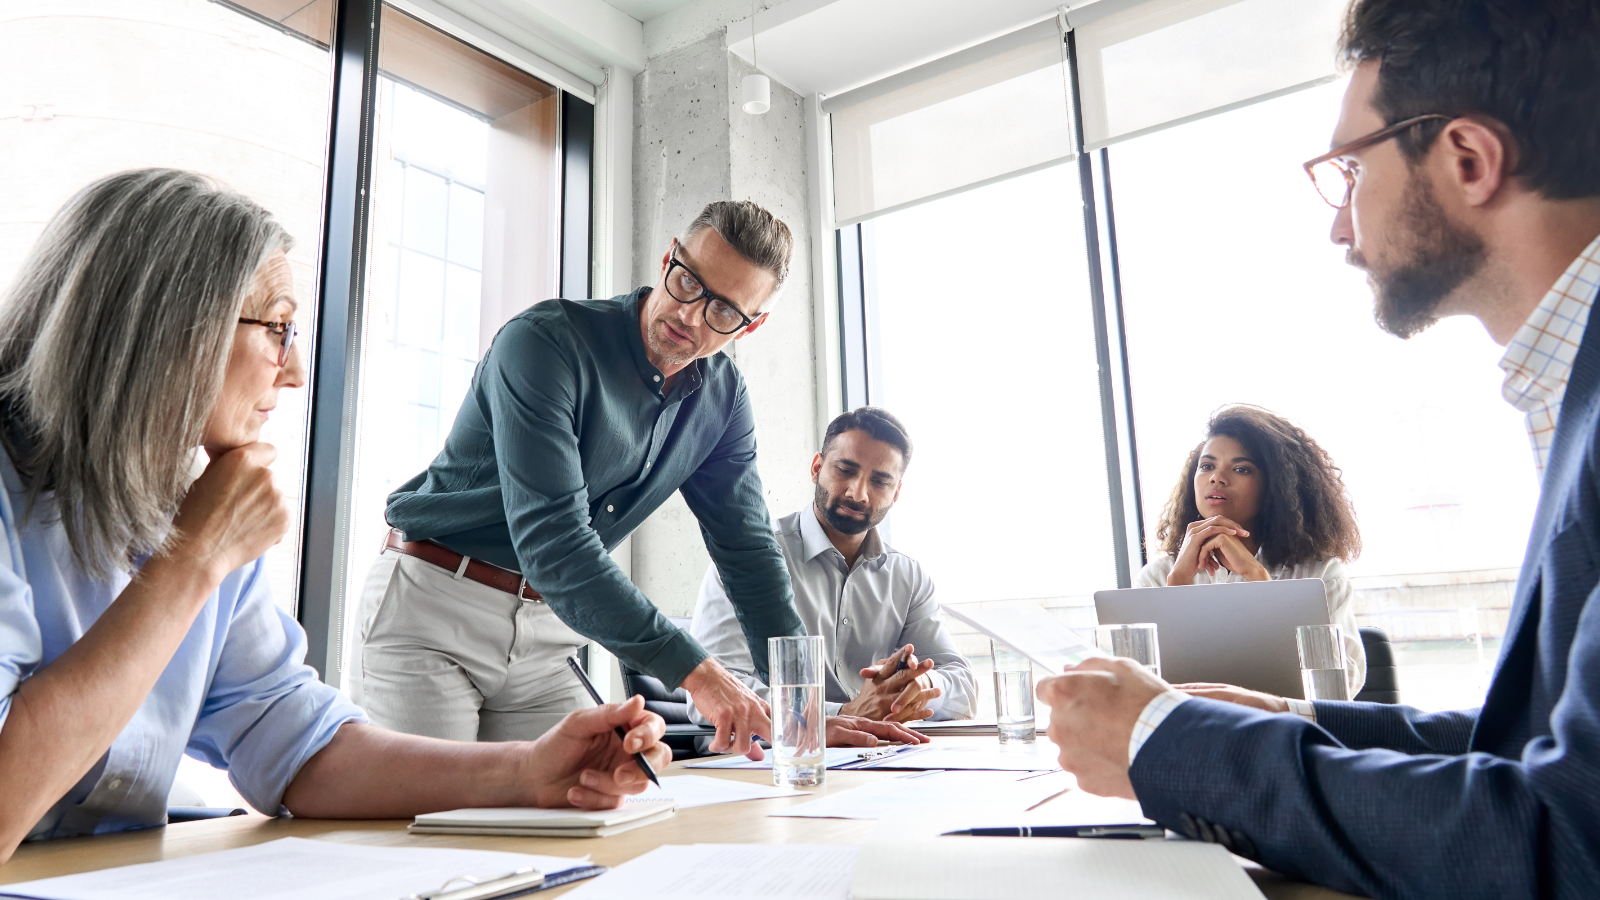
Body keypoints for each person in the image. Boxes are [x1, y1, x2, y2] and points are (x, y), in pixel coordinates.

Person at [1039, 1, 1600, 896]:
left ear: (1467, 159)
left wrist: (1162, 742)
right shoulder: (1568, 390)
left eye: (1348, 171)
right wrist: (1294, 718)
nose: (1339, 228)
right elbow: (1529, 749)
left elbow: (1570, 840)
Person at [0, 170, 671, 862]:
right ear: (169, 329)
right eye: (278, 329)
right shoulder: (195, 530)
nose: (293, 374)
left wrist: (525, 772)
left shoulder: (197, 506)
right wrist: (193, 563)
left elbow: (293, 740)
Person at [358, 200, 914, 757]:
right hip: (434, 609)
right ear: (669, 256)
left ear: (753, 324)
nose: (691, 316)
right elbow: (556, 545)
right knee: (430, 827)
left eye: (724, 311)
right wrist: (698, 672)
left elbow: (748, 554)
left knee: (595, 816)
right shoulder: (545, 343)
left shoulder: (722, 399)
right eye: (687, 282)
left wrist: (804, 712)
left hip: (546, 635)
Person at [690, 408, 978, 740]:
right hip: (773, 759)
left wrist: (922, 685)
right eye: (845, 470)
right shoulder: (748, 555)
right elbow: (712, 692)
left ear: (896, 493)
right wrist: (839, 716)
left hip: (877, 758)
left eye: (880, 481)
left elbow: (964, 686)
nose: (858, 493)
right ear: (817, 468)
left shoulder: (908, 577)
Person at [1137, 405, 1365, 695]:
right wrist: (1176, 588)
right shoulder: (1158, 577)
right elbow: (1140, 693)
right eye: (1207, 466)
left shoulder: (1319, 575)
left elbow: (1338, 688)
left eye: (1241, 469)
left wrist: (1257, 578)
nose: (1216, 478)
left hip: (1284, 731)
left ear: (1275, 486)